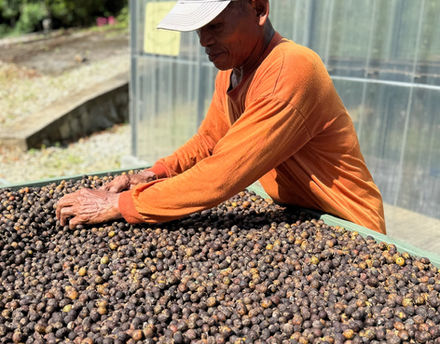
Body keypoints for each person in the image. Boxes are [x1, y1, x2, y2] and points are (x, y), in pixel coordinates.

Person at [56, 0, 386, 234]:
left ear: (259, 9)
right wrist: (153, 174)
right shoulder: (232, 71)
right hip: (298, 216)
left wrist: (120, 205)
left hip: (349, 226)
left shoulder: (291, 69)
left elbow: (221, 175)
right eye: (199, 29)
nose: (204, 40)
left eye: (214, 26)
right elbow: (210, 141)